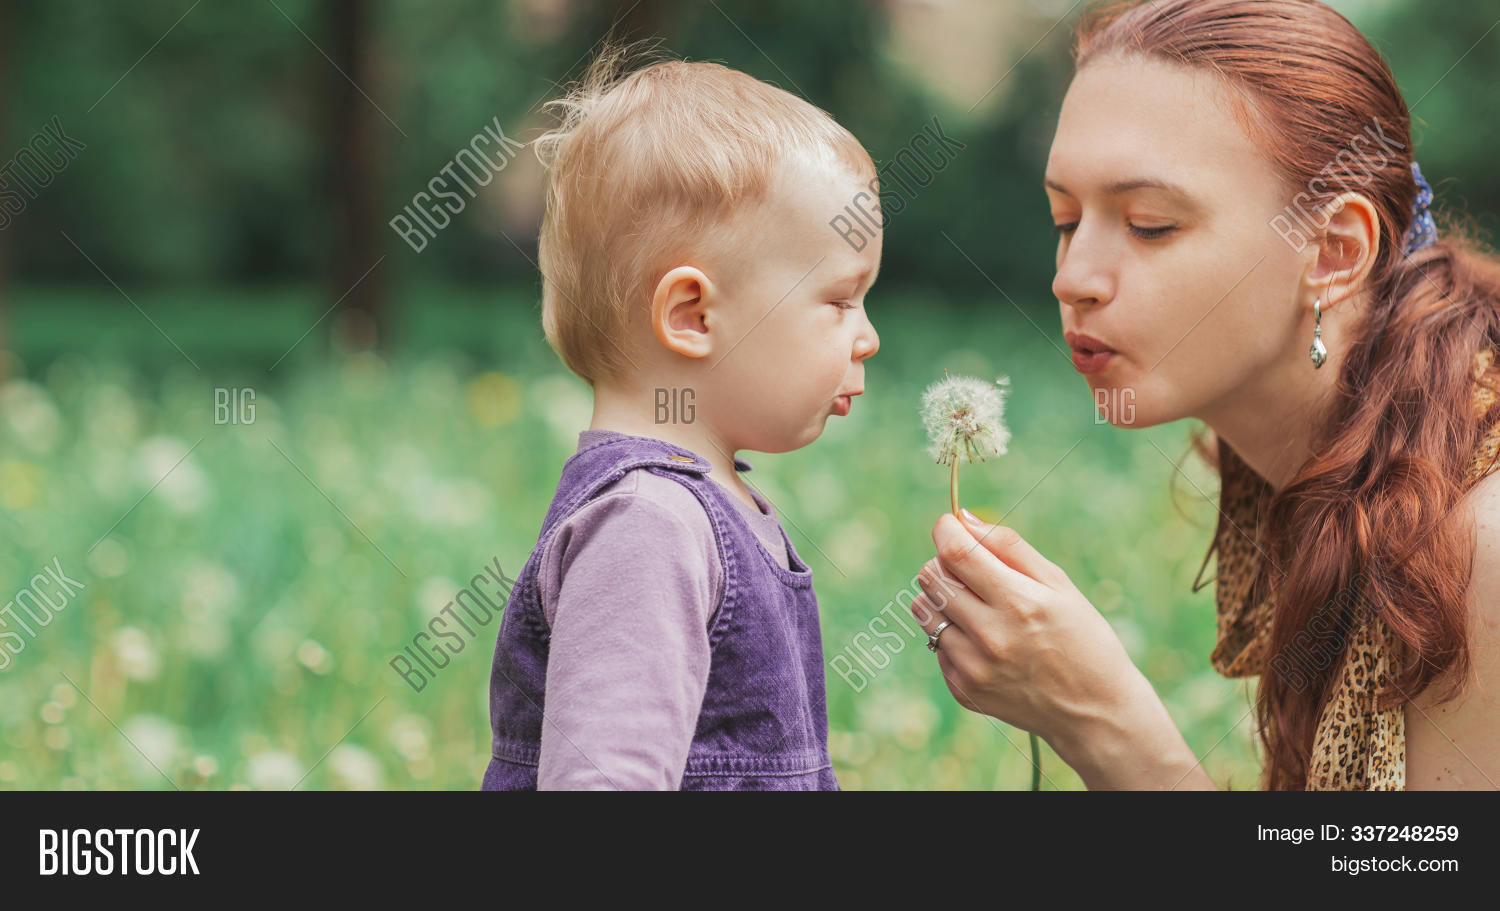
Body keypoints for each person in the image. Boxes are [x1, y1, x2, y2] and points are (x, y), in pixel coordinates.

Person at [912, 0, 1500, 790]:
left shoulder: (1479, 547)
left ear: (1332, 251)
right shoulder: (1345, 457)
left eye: (1149, 225)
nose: (1071, 279)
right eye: (1065, 218)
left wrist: (1107, 729)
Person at [480, 48, 881, 790]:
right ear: (692, 315)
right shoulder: (648, 525)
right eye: (839, 300)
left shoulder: (708, 509)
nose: (868, 336)